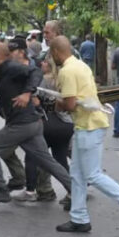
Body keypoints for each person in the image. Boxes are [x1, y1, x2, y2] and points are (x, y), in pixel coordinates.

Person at [50, 36, 119, 233]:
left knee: (92, 174)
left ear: (56, 53)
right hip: (88, 124)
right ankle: (79, 218)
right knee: (77, 174)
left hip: (88, 126)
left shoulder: (67, 71)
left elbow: (68, 104)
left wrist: (56, 103)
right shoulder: (81, 65)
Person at [0, 42, 72, 205]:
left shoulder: (11, 68)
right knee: (46, 161)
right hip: (30, 123)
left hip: (23, 124)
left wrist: (27, 94)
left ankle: (2, 190)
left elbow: (35, 72)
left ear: (2, 56)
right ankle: (75, 189)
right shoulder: (3, 71)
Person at [16, 51, 74, 204]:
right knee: (60, 159)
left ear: (50, 65)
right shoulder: (65, 78)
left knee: (32, 155)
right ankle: (73, 190)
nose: (41, 63)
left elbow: (35, 100)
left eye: (45, 62)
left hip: (49, 123)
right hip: (66, 124)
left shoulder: (43, 80)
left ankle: (30, 190)